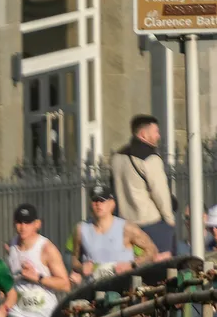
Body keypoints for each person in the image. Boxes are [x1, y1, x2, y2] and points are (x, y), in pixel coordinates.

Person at [110, 114, 175, 254]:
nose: (158, 136)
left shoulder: (117, 158)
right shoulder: (150, 159)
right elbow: (160, 193)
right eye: (155, 132)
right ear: (143, 134)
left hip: (126, 224)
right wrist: (169, 219)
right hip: (151, 223)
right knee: (164, 267)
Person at [68, 183, 157, 286]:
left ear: (112, 204)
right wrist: (81, 268)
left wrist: (132, 265)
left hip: (124, 288)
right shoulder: (81, 229)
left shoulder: (127, 228)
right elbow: (74, 259)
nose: (98, 204)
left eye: (102, 200)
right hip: (94, 288)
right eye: (95, 200)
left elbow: (152, 250)